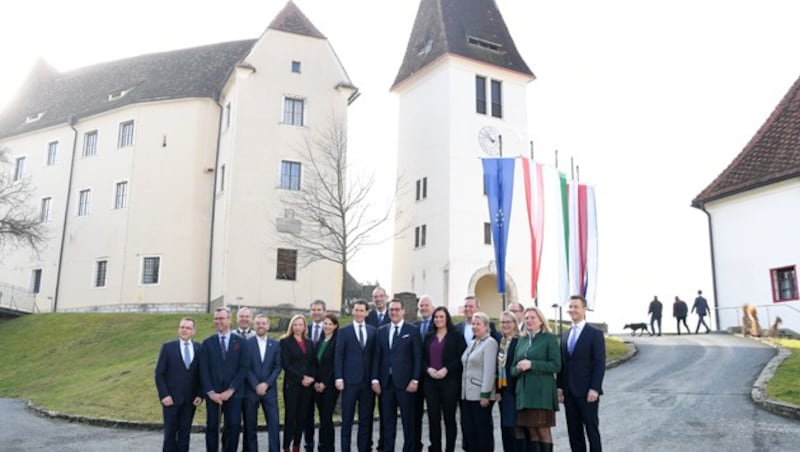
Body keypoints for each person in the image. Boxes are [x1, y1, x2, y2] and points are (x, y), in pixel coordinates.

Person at [371, 298, 422, 452]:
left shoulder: (412, 330)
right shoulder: (382, 331)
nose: (394, 312)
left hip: (406, 384)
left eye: (397, 309)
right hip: (385, 384)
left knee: (408, 422)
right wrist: (375, 379)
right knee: (387, 423)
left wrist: (415, 379)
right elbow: (376, 357)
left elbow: (418, 357)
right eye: (391, 310)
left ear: (403, 311)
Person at [557, 295, 605, 452]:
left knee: (592, 431)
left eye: (576, 307)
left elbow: (599, 363)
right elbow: (563, 365)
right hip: (570, 393)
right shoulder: (564, 335)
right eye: (570, 307)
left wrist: (595, 388)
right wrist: (560, 388)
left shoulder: (594, 334)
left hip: (587, 392)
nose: (572, 310)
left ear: (584, 309)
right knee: (574, 433)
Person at [199, 307, 248, 452]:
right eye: (216, 319)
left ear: (229, 320)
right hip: (213, 395)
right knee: (212, 427)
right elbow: (203, 370)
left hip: (234, 393)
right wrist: (210, 392)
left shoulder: (241, 342)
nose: (218, 321)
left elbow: (244, 368)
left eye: (221, 318)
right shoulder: (207, 343)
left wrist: (231, 389)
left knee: (233, 426)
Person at [513, 307, 561, 452]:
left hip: (542, 393)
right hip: (524, 394)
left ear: (541, 320)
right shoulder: (521, 340)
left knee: (542, 431)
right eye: (526, 318)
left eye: (533, 317)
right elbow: (512, 368)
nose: (529, 320)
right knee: (532, 431)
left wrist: (532, 364)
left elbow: (556, 365)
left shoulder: (550, 338)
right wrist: (518, 368)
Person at [154, 317, 203, 452]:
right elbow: (159, 374)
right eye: (182, 327)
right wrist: (164, 395)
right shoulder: (168, 348)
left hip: (190, 401)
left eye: (188, 328)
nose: (184, 330)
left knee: (185, 434)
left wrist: (200, 394)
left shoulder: (199, 348)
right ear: (178, 329)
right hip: (170, 400)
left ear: (193, 331)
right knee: (169, 435)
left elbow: (202, 374)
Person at [422, 306, 466, 452]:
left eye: (441, 317)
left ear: (447, 318)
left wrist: (446, 369)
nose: (438, 319)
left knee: (449, 418)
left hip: (450, 382)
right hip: (431, 383)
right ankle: (435, 448)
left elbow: (462, 358)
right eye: (436, 317)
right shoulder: (428, 336)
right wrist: (428, 369)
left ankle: (449, 449)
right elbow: (422, 358)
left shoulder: (456, 336)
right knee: (433, 419)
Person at [335, 299, 377, 452]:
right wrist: (339, 378)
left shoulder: (373, 331)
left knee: (365, 420)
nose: (359, 313)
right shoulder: (344, 331)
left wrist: (374, 379)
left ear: (367, 313)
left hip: (367, 383)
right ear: (352, 311)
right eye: (356, 310)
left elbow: (375, 357)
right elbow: (339, 355)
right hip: (349, 382)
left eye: (362, 310)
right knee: (347, 420)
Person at [460, 311, 498, 452]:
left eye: (478, 324)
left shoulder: (490, 343)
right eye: (473, 324)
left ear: (486, 327)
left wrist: (485, 394)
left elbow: (489, 371)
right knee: (469, 431)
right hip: (467, 394)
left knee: (482, 431)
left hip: (480, 395)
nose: (475, 327)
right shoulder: (473, 343)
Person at [243, 314, 282, 452]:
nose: (261, 326)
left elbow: (278, 366)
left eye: (263, 323)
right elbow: (245, 367)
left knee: (273, 424)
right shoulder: (247, 344)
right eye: (258, 323)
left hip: (269, 390)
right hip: (251, 390)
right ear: (254, 325)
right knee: (250, 425)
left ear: (268, 325)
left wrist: (266, 384)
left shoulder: (275, 344)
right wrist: (255, 385)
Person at [280, 314, 316, 452]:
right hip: (292, 384)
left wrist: (311, 377)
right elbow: (286, 365)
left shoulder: (309, 342)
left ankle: (296, 446)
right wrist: (301, 378)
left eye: (300, 324)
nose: (298, 327)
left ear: (304, 326)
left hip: (308, 385)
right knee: (291, 416)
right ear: (291, 326)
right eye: (295, 325)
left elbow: (313, 363)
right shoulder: (285, 342)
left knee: (302, 416)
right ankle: (286, 447)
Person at [365, 287, 390, 451]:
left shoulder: (393, 314)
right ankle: (367, 444)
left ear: (386, 297)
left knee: (385, 413)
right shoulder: (369, 316)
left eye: (381, 296)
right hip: (367, 371)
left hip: (386, 372)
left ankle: (383, 445)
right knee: (366, 413)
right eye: (375, 297)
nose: (378, 299)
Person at [495, 310, 522, 452]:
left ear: (514, 324)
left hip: (515, 390)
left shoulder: (519, 341)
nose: (505, 325)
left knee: (515, 427)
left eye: (508, 322)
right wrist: (498, 390)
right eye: (502, 322)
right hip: (503, 391)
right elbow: (497, 368)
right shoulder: (501, 343)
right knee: (505, 426)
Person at [313, 313, 340, 452]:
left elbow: (335, 365)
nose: (327, 326)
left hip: (329, 386)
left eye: (330, 324)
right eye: (325, 323)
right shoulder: (320, 340)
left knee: (326, 417)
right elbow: (317, 364)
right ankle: (322, 446)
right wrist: (317, 382)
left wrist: (325, 382)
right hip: (318, 386)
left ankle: (328, 447)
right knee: (322, 417)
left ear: (335, 326)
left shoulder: (337, 342)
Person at [305, 300, 327, 452]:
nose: (316, 312)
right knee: (307, 416)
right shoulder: (306, 329)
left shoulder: (330, 329)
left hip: (324, 382)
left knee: (324, 416)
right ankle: (309, 445)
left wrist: (323, 380)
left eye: (319, 309)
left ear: (324, 311)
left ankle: (323, 445)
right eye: (313, 310)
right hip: (307, 380)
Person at [233, 306, 256, 451]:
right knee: (231, 425)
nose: (244, 319)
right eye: (242, 316)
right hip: (234, 387)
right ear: (237, 318)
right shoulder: (231, 336)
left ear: (251, 319)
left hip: (251, 388)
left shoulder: (255, 337)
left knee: (250, 425)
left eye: (247, 316)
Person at [414, 295, 434, 452]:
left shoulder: (438, 325)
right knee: (415, 416)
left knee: (434, 416)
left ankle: (434, 446)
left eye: (426, 305)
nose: (423, 308)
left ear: (432, 308)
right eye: (421, 306)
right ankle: (416, 445)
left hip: (433, 378)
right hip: (416, 378)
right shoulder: (414, 326)